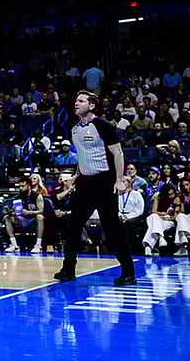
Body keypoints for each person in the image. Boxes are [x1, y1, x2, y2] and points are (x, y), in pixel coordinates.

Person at [54, 91, 136, 285]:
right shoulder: (74, 129)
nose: (76, 103)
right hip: (85, 184)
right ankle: (68, 269)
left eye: (81, 101)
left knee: (112, 230)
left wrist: (118, 180)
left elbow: (118, 153)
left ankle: (128, 272)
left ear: (91, 105)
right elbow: (83, 156)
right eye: (76, 100)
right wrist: (76, 175)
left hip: (105, 182)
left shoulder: (103, 125)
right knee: (73, 226)